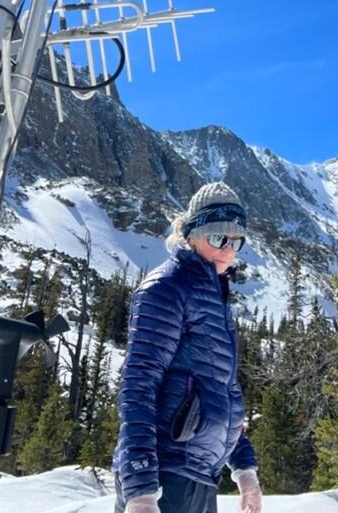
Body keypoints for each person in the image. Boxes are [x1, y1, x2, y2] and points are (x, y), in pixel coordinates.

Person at [113, 182, 264, 513]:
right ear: (192, 234)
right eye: (218, 238)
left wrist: (244, 468)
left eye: (236, 240)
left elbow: (219, 392)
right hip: (164, 477)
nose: (228, 250)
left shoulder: (214, 297)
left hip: (199, 477)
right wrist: (140, 491)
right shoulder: (166, 288)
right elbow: (138, 385)